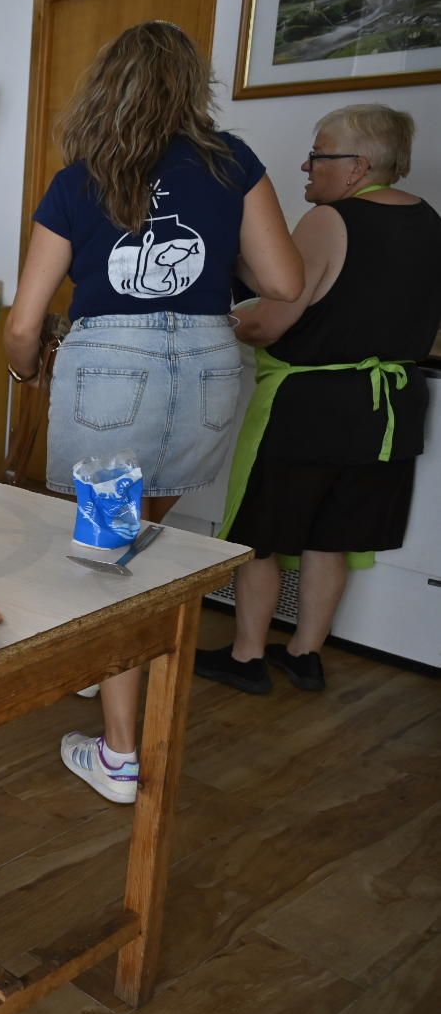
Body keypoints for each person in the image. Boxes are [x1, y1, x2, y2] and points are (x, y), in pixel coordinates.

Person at [3, 21, 303, 805]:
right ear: (189, 88)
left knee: (108, 561)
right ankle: (110, 670)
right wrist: (210, 307)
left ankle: (120, 754)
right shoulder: (232, 164)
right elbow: (282, 282)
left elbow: (25, 325)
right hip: (206, 367)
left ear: (107, 85)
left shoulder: (80, 179)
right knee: (138, 541)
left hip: (111, 372)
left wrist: (26, 367)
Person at [196, 105, 440, 695]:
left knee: (263, 534)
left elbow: (273, 322)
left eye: (320, 153)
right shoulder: (431, 221)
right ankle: (305, 653)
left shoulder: (329, 219)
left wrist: (223, 322)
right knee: (333, 535)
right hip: (388, 410)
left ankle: (248, 655)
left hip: (309, 407)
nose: (306, 165)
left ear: (357, 167)